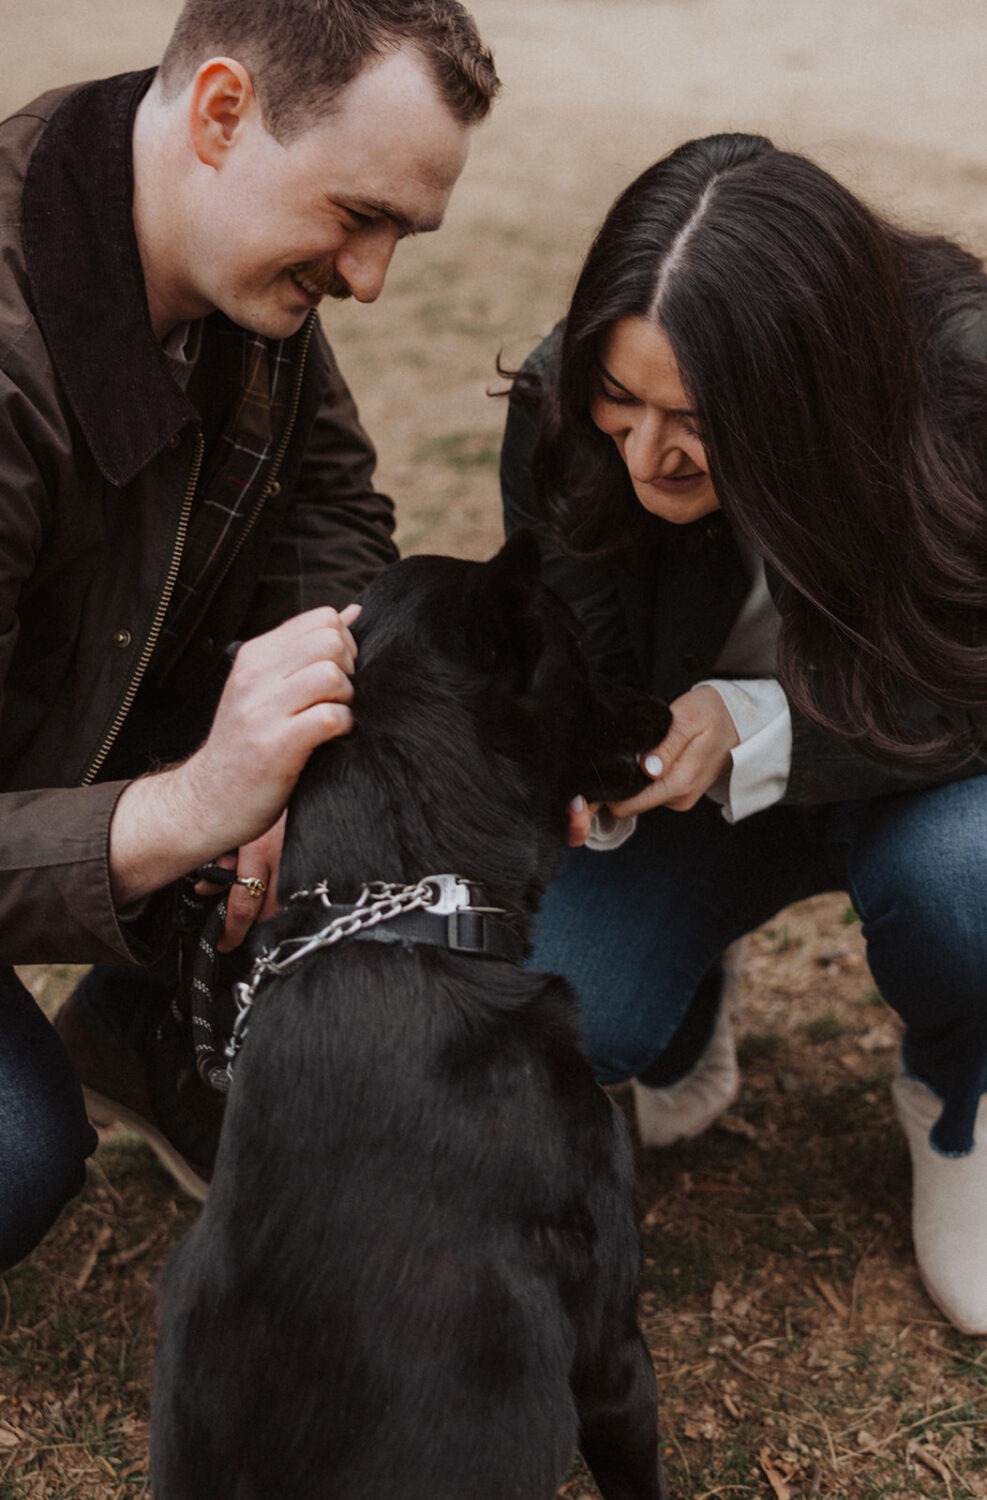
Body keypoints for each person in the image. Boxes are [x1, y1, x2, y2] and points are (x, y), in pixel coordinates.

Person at [0, 0, 499, 1271]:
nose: (371, 279)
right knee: (12, 1151)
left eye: (403, 232)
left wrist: (296, 747)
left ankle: (143, 1023)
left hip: (69, 735)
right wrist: (200, 802)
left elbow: (330, 503)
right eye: (360, 216)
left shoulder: (217, 237)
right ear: (222, 111)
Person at [500, 132, 987, 1335]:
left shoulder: (967, 386)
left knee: (962, 883)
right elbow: (572, 645)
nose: (645, 454)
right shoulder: (567, 402)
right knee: (577, 1009)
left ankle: (959, 1085)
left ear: (807, 384)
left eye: (693, 420)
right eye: (622, 405)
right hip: (696, 799)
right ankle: (689, 991)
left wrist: (756, 718)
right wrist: (595, 767)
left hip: (935, 783)